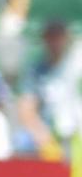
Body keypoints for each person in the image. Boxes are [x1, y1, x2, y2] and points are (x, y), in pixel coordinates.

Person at [16, 19, 80, 157]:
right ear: (44, 39)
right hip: (47, 130)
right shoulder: (35, 70)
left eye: (58, 36)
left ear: (67, 38)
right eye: (51, 36)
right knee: (22, 141)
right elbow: (26, 109)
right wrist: (45, 139)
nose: (55, 41)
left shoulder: (76, 66)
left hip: (75, 129)